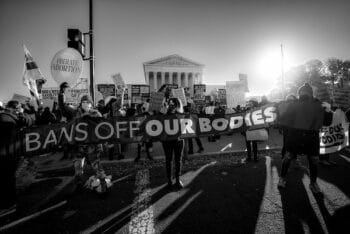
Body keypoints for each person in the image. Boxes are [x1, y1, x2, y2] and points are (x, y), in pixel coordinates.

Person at [277, 83, 333, 194]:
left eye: (306, 92)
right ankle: (282, 178)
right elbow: (283, 119)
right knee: (288, 157)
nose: (304, 94)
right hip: (295, 137)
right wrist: (280, 110)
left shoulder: (319, 105)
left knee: (314, 161)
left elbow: (327, 122)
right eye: (302, 92)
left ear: (311, 94)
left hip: (311, 139)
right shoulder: (293, 105)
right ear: (299, 94)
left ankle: (313, 183)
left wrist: (328, 111)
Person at [0, 100, 32, 214]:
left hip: (6, 156)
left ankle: (9, 204)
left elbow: (30, 121)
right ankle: (9, 203)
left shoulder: (7, 118)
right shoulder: (10, 118)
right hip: (11, 154)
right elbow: (30, 120)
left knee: (6, 180)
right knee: (7, 179)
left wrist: (21, 113)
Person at [161, 98, 185, 190]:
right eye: (170, 104)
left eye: (174, 104)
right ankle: (169, 180)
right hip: (167, 140)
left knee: (178, 160)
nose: (171, 105)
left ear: (178, 105)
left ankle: (178, 179)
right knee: (168, 159)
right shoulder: (163, 113)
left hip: (178, 140)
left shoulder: (181, 114)